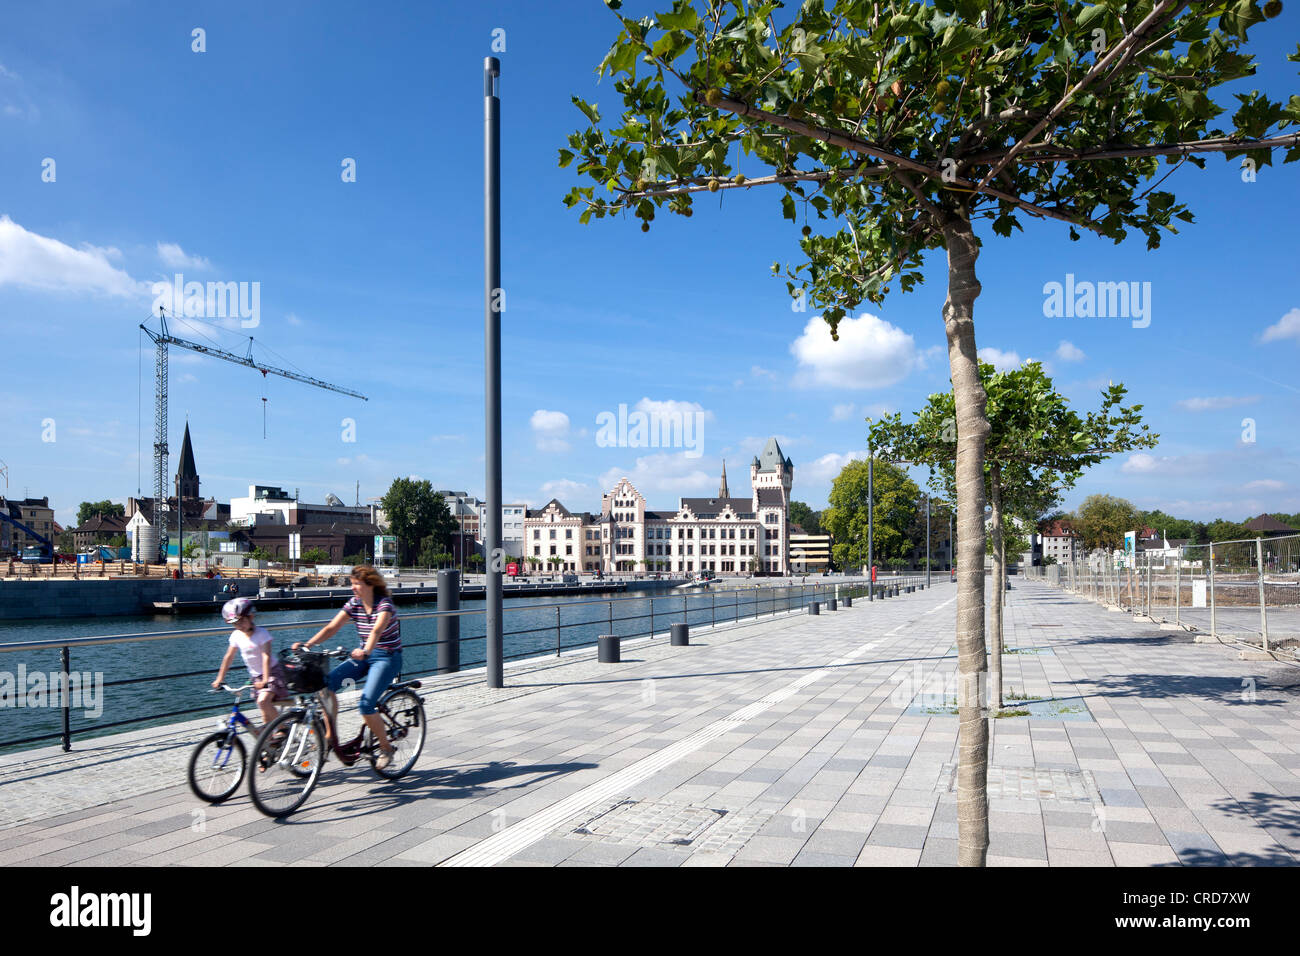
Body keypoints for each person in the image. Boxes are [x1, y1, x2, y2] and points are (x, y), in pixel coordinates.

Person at [294, 565, 398, 769]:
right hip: (364, 655)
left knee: (366, 704)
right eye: (352, 584)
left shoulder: (384, 605)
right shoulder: (355, 604)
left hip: (386, 657)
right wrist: (307, 645)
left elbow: (376, 632)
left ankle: (386, 748)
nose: (353, 588)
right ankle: (330, 734)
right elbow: (332, 627)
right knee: (326, 685)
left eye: (356, 584)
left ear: (370, 584)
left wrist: (366, 651)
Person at [212, 597, 286, 726]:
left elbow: (266, 657)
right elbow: (228, 657)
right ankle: (270, 741)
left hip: (272, 674)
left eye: (241, 621)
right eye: (235, 623)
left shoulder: (261, 634)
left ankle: (283, 728)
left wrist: (265, 680)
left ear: (250, 617)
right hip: (255, 677)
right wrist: (220, 679)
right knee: (264, 716)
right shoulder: (236, 635)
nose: (238, 626)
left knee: (263, 702)